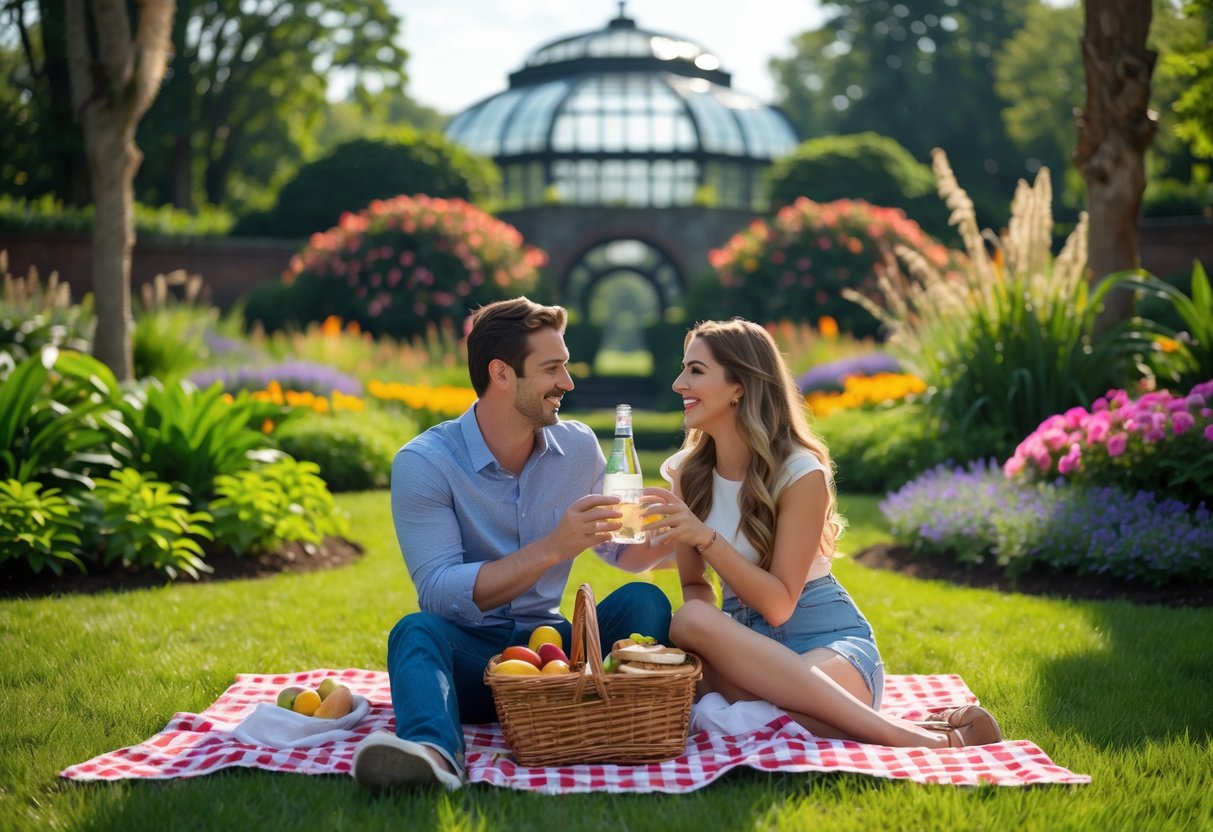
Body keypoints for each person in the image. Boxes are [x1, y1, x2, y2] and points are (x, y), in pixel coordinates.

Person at [352, 297, 674, 791]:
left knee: (645, 602)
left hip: (558, 658)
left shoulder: (579, 448)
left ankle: (612, 722)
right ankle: (434, 754)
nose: (567, 383)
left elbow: (620, 552)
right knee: (415, 633)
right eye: (552, 369)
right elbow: (439, 591)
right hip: (473, 662)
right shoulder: (425, 463)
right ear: (501, 373)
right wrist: (553, 547)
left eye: (564, 366)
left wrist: (678, 528)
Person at [642, 319, 1002, 749]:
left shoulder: (799, 473)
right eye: (684, 369)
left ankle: (908, 736)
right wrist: (717, 640)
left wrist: (704, 538)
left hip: (829, 644)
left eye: (696, 371)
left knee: (721, 708)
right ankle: (909, 730)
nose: (680, 383)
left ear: (740, 385)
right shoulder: (687, 473)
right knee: (690, 620)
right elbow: (693, 584)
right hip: (747, 650)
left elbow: (778, 605)